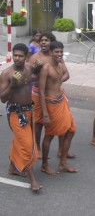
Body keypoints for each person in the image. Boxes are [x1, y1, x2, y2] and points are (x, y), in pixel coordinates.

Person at [0, 43, 43, 192]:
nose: (17, 58)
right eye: (15, 55)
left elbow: (33, 77)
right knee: (27, 145)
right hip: (16, 113)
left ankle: (13, 167)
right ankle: (32, 179)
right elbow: (2, 99)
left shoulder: (28, 68)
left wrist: (37, 67)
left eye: (20, 56)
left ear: (26, 57)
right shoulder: (6, 73)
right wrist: (12, 85)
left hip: (29, 111)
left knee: (19, 141)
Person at [28, 32, 75, 159]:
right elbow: (28, 76)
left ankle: (61, 150)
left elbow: (66, 74)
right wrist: (37, 70)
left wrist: (57, 82)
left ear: (51, 43)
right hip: (38, 94)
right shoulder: (34, 58)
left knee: (63, 123)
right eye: (41, 40)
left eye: (46, 40)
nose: (43, 42)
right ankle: (37, 149)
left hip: (56, 95)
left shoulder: (57, 56)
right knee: (39, 123)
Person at [39, 41, 77, 175]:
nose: (59, 54)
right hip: (51, 104)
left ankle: (62, 162)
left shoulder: (61, 64)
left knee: (71, 130)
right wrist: (44, 114)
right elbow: (41, 92)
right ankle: (44, 164)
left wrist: (59, 82)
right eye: (56, 52)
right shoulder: (46, 68)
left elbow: (65, 75)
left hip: (61, 101)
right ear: (50, 53)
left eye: (61, 52)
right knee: (50, 135)